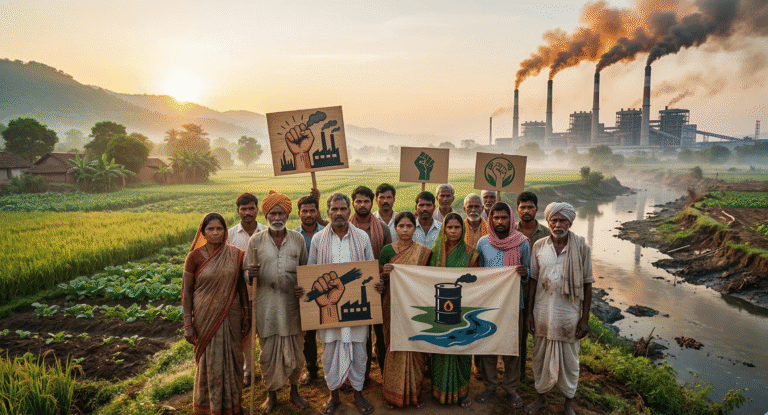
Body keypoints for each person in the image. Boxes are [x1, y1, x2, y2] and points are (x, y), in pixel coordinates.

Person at [301, 193, 375, 415]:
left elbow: (369, 270)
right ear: (328, 212)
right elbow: (311, 272)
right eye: (334, 209)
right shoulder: (318, 240)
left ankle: (358, 394)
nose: (339, 213)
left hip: (355, 311)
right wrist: (303, 288)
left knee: (359, 351)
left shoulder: (362, 237)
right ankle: (333, 396)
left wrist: (375, 286)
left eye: (343, 209)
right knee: (330, 352)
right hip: (329, 310)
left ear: (349, 210)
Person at [525, 203, 593, 415]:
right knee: (540, 357)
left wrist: (584, 319)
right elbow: (533, 280)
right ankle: (541, 398)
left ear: (570, 222)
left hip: (568, 315)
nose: (557, 224)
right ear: (548, 221)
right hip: (542, 312)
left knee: (570, 362)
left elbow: (588, 283)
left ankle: (568, 403)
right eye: (553, 220)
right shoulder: (539, 246)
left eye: (562, 220)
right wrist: (528, 313)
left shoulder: (581, 247)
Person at [245, 191, 309, 414]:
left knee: (295, 351)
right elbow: (246, 274)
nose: (277, 217)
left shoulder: (298, 239)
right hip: (267, 308)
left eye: (281, 212)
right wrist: (249, 273)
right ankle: (271, 395)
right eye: (272, 213)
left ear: (287, 214)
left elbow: (305, 271)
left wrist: (304, 287)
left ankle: (294, 392)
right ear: (267, 216)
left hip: (292, 307)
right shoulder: (256, 240)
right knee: (268, 353)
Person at [183, 213, 250, 415]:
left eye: (219, 229)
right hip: (205, 317)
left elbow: (240, 286)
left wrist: (246, 315)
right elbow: (186, 291)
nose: (215, 233)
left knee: (234, 360)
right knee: (209, 363)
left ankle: (234, 406)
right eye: (210, 229)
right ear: (203, 232)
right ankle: (209, 408)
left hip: (231, 314)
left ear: (225, 231)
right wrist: (188, 323)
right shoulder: (194, 257)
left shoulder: (235, 254)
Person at [474, 202, 530, 410]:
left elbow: (530, 273)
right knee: (488, 346)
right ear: (490, 219)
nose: (499, 222)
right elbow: (479, 273)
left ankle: (511, 388)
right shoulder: (483, 243)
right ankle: (490, 386)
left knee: (511, 348)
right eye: (495, 218)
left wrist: (524, 274)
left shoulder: (522, 243)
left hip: (513, 303)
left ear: (511, 219)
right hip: (488, 305)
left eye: (504, 218)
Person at [375, 212, 431, 409]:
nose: (405, 230)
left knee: (416, 345)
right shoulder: (387, 251)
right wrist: (384, 274)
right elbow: (378, 281)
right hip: (392, 304)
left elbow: (428, 281)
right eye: (401, 226)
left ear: (414, 229)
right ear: (395, 228)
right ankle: (392, 394)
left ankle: (414, 393)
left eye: (409, 226)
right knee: (394, 345)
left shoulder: (424, 252)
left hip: (416, 306)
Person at [429, 212, 480, 409]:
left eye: (457, 227)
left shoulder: (471, 253)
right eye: (449, 228)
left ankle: (462, 391)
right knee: (440, 348)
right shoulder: (434, 253)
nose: (453, 231)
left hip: (463, 308)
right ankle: (439, 389)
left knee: (462, 348)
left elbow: (477, 281)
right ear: (443, 229)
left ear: (463, 229)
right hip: (440, 309)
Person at [350, 186, 392, 381]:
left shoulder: (381, 229)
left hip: (377, 288)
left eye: (366, 201)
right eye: (358, 201)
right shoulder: (345, 228)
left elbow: (387, 259)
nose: (362, 205)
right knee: (361, 337)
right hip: (352, 291)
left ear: (372, 203)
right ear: (353, 204)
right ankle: (362, 375)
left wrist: (382, 278)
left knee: (381, 335)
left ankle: (385, 373)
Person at [228, 193, 267, 386]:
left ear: (257, 210)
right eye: (243, 209)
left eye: (251, 208)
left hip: (266, 294)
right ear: (238, 211)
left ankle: (267, 369)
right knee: (245, 336)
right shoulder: (229, 235)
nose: (248, 212)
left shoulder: (267, 231)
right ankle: (248, 371)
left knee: (266, 333)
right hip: (241, 296)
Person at [516, 191, 551, 380]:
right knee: (519, 333)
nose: (527, 211)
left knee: (540, 333)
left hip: (540, 292)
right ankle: (519, 372)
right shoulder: (511, 231)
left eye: (530, 207)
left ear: (537, 209)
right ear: (517, 210)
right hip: (517, 291)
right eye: (523, 207)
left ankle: (541, 372)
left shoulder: (546, 233)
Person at [294, 195, 325, 386]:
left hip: (328, 288)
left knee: (331, 331)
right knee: (309, 336)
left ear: (317, 212)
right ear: (298, 213)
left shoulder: (328, 232)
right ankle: (311, 369)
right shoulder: (294, 237)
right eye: (304, 211)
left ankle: (334, 367)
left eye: (312, 211)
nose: (308, 214)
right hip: (306, 292)